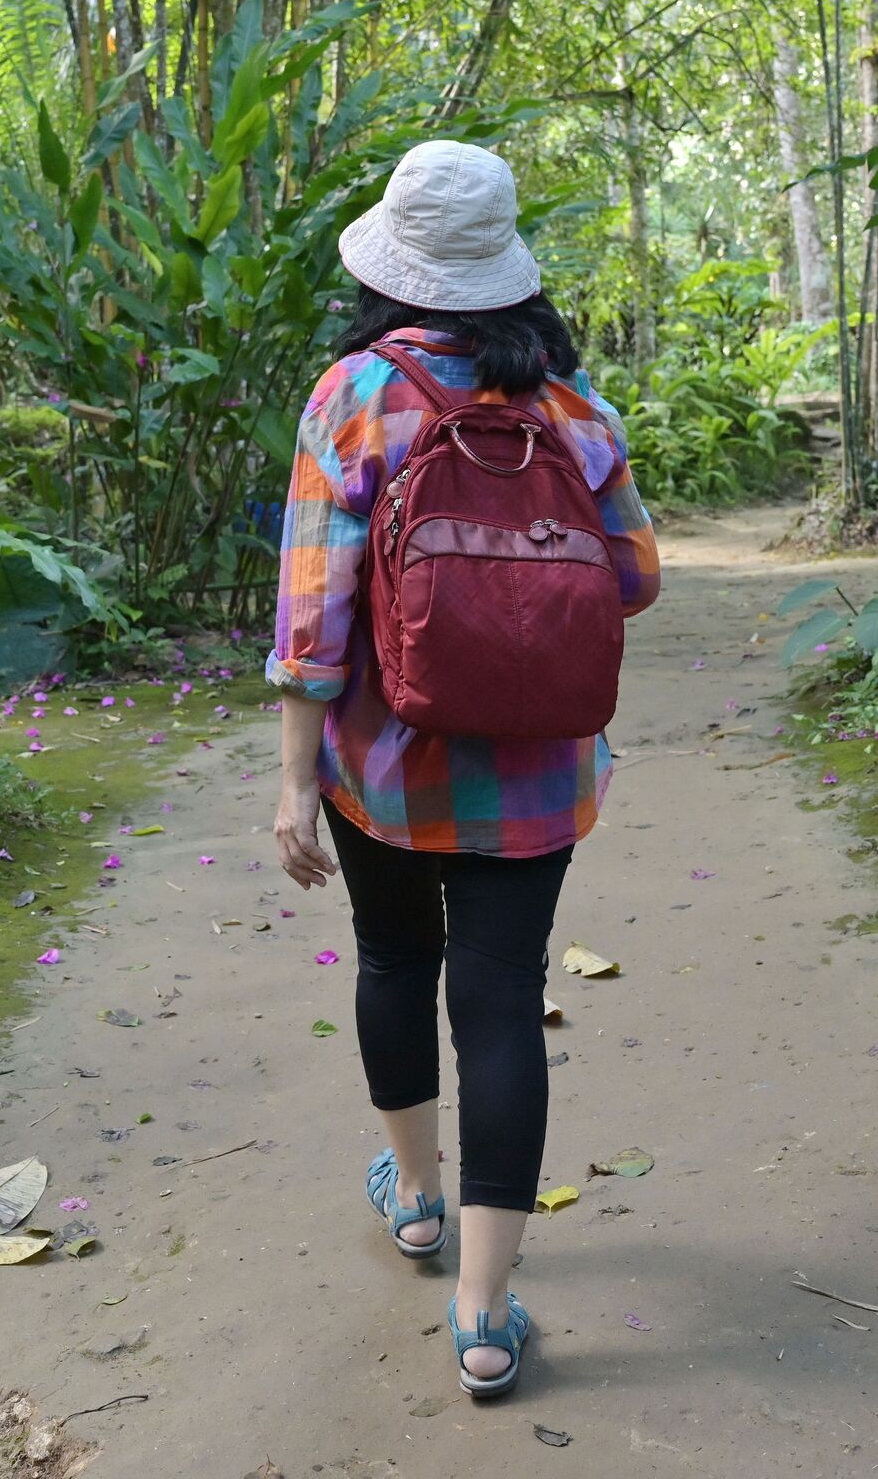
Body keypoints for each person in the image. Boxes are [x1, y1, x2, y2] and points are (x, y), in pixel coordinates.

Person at [267, 139, 660, 1399]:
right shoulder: (569, 404)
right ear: (506, 277)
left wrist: (292, 778)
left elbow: (312, 619)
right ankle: (486, 1317)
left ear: (393, 274)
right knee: (500, 1003)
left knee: (393, 963)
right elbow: (637, 577)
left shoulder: (354, 397)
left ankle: (421, 1206)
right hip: (539, 778)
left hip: (385, 768)